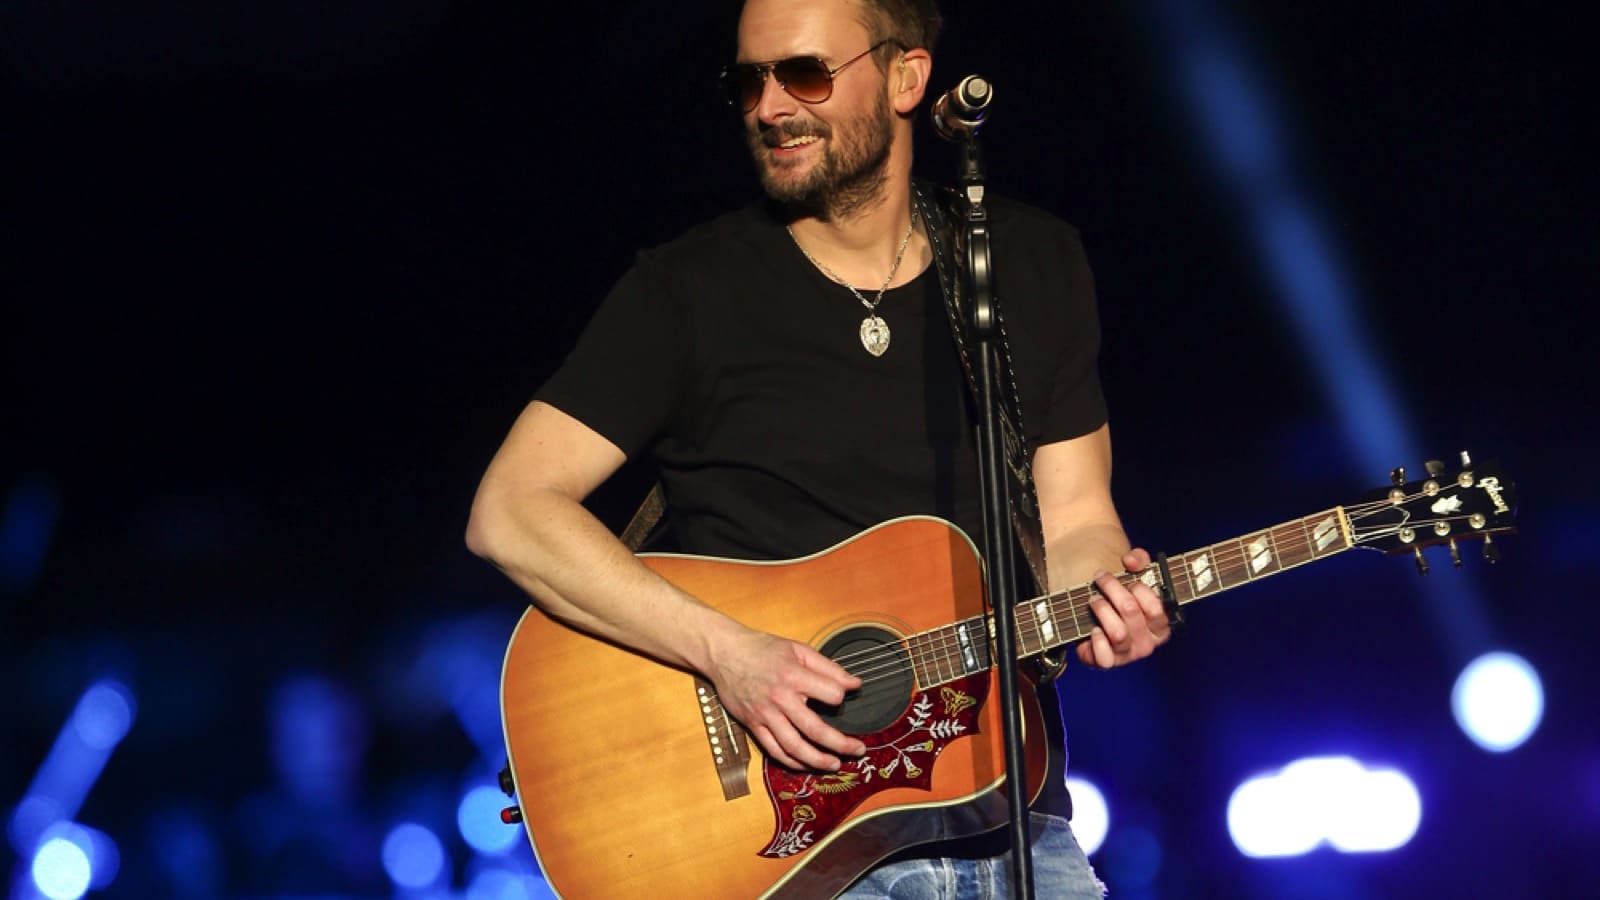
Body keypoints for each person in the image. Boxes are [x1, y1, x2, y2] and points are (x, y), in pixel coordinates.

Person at [466, 0, 1171, 895]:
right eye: (747, 81)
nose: (768, 107)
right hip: (785, 843)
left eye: (803, 74)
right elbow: (510, 512)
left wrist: (1111, 601)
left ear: (908, 79)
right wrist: (727, 655)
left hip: (1010, 814)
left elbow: (1076, 521)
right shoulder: (687, 292)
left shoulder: (1026, 266)